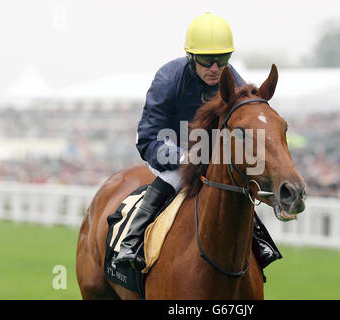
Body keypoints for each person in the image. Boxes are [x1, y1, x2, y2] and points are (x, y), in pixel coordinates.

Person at [115, 12, 280, 271]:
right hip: (163, 143)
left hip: (207, 149)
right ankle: (131, 240)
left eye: (222, 59)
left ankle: (259, 239)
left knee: (232, 183)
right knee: (177, 177)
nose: (215, 68)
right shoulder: (168, 79)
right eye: (207, 60)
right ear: (191, 57)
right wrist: (184, 158)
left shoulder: (233, 82)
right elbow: (148, 138)